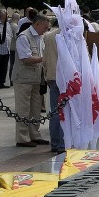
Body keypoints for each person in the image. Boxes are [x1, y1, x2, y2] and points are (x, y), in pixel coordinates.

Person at [12, 14, 50, 147]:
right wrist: (44, 59)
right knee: (23, 109)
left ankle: (35, 135)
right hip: (23, 79)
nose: (46, 29)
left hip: (37, 78)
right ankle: (22, 138)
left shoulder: (41, 37)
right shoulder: (24, 37)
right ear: (37, 24)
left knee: (35, 109)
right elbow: (25, 59)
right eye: (45, 27)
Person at [42, 22, 65, 154]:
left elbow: (44, 59)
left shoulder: (49, 37)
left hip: (52, 76)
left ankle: (55, 143)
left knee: (55, 111)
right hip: (67, 79)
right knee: (65, 112)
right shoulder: (73, 36)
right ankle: (63, 144)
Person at [9, 12, 20, 86]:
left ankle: (11, 79)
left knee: (11, 64)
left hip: (10, 47)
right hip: (14, 47)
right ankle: (13, 79)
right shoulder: (15, 26)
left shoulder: (9, 25)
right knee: (14, 64)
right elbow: (17, 38)